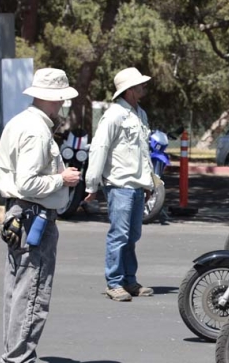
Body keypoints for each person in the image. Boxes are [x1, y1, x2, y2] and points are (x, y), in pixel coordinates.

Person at [0, 68, 81, 363]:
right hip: (35, 215)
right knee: (32, 291)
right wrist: (63, 179)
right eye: (60, 99)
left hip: (20, 213)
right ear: (51, 98)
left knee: (16, 289)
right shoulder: (37, 131)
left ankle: (14, 359)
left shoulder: (19, 123)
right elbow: (28, 182)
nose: (61, 106)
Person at [84, 67, 155, 302]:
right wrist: (92, 185)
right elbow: (99, 148)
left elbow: (143, 151)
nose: (143, 88)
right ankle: (114, 282)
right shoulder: (114, 115)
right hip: (119, 184)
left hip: (136, 185)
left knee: (132, 235)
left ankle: (129, 280)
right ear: (130, 90)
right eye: (140, 85)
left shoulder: (139, 113)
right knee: (120, 234)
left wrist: (148, 183)